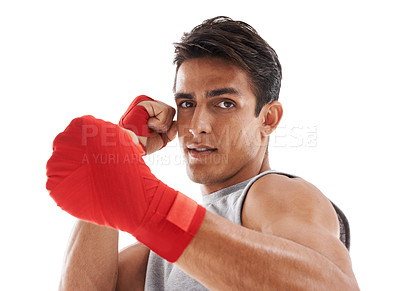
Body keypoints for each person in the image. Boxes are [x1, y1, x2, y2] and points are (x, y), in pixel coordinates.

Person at [47, 16, 359, 290]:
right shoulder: (164, 248)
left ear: (268, 118)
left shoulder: (273, 193)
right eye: (187, 103)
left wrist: (152, 209)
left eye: (224, 103)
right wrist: (117, 160)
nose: (198, 126)